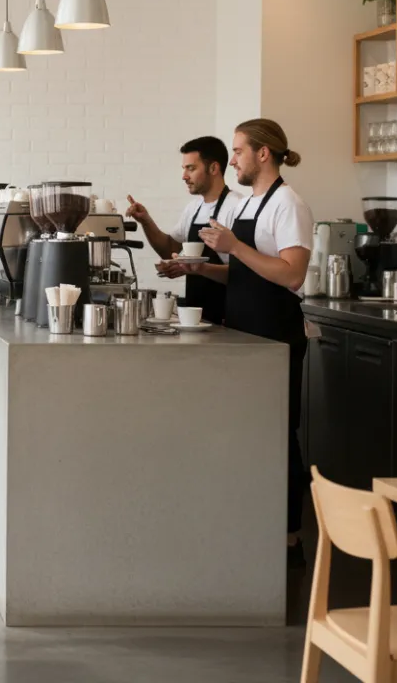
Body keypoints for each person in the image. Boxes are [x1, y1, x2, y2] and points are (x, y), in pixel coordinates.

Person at [195, 119, 313, 563]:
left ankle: (289, 539)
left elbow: (292, 273)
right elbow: (247, 271)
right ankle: (250, 526)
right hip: (244, 334)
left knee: (279, 436)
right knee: (248, 435)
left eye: (239, 150)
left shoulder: (289, 204)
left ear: (264, 153)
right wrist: (203, 268)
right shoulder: (252, 204)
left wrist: (233, 246)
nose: (234, 159)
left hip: (275, 336)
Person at [125, 136, 243, 325]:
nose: (184, 176)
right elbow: (169, 248)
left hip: (227, 317)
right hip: (196, 318)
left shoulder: (236, 207)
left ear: (213, 168)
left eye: (191, 168)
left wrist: (195, 268)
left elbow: (242, 273)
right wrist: (146, 221)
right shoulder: (194, 208)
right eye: (184, 169)